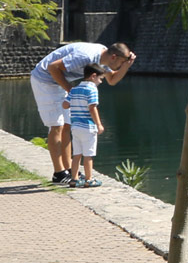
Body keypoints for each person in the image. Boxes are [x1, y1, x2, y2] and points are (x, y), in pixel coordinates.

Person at [29, 41, 137, 185]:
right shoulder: (85, 56)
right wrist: (71, 90)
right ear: (114, 57)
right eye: (121, 62)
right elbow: (53, 67)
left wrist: (126, 66)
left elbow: (112, 80)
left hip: (59, 81)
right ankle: (59, 173)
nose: (120, 65)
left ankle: (68, 170)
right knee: (56, 126)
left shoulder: (103, 59)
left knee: (67, 125)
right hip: (45, 80)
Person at [66, 64, 107, 188]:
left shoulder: (74, 89)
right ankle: (89, 179)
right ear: (93, 76)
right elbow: (92, 107)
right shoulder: (92, 89)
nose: (100, 82)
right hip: (88, 127)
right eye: (100, 79)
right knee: (88, 155)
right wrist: (99, 124)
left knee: (76, 154)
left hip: (75, 127)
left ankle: (74, 179)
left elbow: (65, 105)